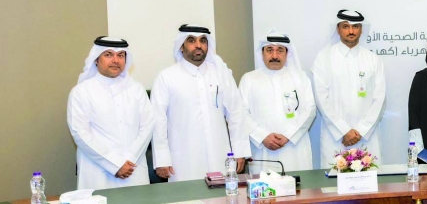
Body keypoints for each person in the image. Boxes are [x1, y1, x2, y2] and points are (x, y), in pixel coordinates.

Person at [151, 24, 250, 181]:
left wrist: (240, 151)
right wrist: (162, 159)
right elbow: (158, 120)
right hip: (183, 160)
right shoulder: (166, 77)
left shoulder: (221, 74)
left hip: (220, 155)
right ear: (181, 46)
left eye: (203, 40)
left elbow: (236, 113)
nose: (198, 45)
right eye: (191, 40)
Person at [67, 37, 155, 189]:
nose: (115, 60)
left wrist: (129, 160)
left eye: (120, 55)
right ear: (96, 59)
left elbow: (147, 126)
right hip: (97, 171)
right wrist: (115, 164)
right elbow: (80, 133)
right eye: (108, 55)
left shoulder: (136, 89)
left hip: (133, 169)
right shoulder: (81, 92)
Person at [312, 10, 387, 164]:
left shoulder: (373, 59)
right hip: (337, 138)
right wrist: (343, 130)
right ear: (338, 29)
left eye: (355, 27)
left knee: (370, 184)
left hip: (366, 137)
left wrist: (361, 130)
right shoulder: (324, 58)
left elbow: (380, 98)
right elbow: (321, 98)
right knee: (334, 185)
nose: (351, 31)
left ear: (361, 29)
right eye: (346, 27)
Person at [238, 30, 316, 173]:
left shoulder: (301, 78)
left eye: (280, 50)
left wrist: (288, 135)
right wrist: (263, 136)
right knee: (264, 192)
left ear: (287, 54)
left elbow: (310, 110)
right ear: (262, 54)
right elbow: (241, 113)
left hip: (294, 149)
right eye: (269, 50)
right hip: (262, 150)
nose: (274, 56)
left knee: (299, 191)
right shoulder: (248, 79)